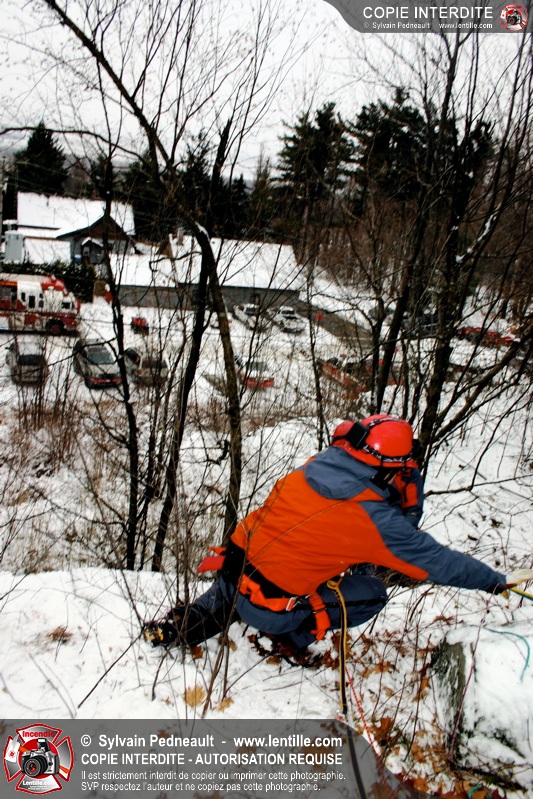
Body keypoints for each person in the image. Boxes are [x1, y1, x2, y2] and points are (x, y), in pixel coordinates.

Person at [143, 414, 533, 652]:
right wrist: (493, 580)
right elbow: (437, 562)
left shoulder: (311, 469)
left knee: (256, 575)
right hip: (271, 611)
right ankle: (288, 640)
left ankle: (190, 622)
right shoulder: (373, 519)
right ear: (388, 468)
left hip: (233, 574)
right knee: (373, 593)